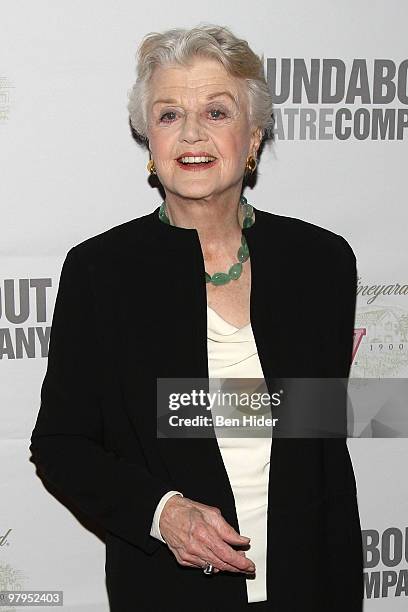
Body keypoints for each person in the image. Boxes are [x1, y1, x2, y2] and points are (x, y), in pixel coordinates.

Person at [29, 24, 364, 611]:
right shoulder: (100, 272)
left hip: (311, 585)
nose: (191, 134)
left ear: (253, 137)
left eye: (216, 111)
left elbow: (318, 440)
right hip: (169, 591)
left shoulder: (322, 262)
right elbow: (61, 443)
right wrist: (163, 512)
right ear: (149, 143)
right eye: (168, 115)